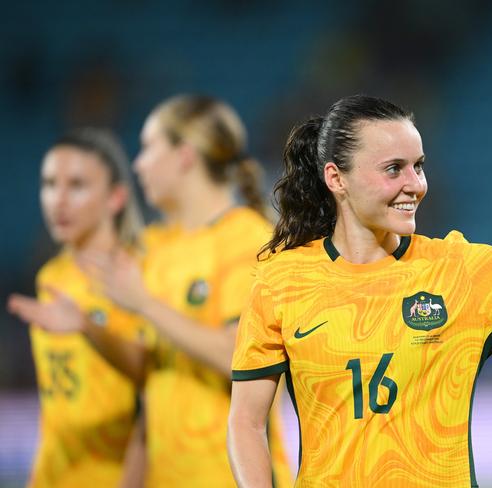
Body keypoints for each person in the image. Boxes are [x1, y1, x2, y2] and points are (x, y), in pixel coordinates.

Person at [227, 95, 492, 487]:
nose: (416, 184)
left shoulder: (462, 270)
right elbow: (246, 422)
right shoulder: (281, 281)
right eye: (394, 169)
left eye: (419, 165)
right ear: (337, 178)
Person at [17, 95, 293, 487]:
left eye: (148, 148)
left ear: (183, 156)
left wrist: (144, 303)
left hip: (228, 476)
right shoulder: (156, 249)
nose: (137, 163)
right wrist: (87, 328)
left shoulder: (247, 239)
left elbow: (241, 358)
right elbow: (152, 382)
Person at [7, 128, 145, 487]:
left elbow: (153, 390)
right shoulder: (51, 277)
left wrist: (88, 327)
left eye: (77, 185)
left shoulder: (140, 275)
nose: (58, 200)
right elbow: (56, 407)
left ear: (115, 198)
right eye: (50, 184)